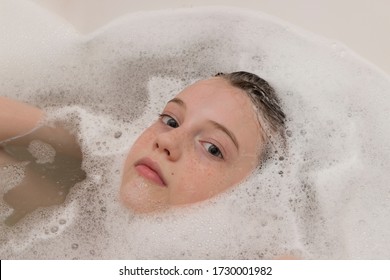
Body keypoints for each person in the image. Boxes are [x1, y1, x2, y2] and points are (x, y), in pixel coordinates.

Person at [0, 71, 286, 222]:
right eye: (171, 120)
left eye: (212, 148)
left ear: (254, 194)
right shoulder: (62, 218)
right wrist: (82, 140)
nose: (166, 141)